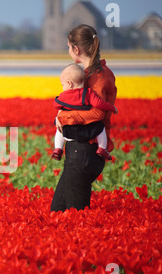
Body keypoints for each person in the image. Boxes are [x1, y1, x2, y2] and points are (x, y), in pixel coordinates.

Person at [50, 24, 118, 212]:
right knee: (58, 212)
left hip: (85, 151)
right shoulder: (97, 74)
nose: (68, 51)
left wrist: (64, 117)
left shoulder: (96, 78)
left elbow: (97, 114)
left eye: (68, 47)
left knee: (75, 216)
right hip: (80, 151)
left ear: (76, 49)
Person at [52, 63, 118, 162]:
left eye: (63, 84)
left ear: (69, 83)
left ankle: (58, 148)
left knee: (59, 128)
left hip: (69, 133)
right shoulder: (88, 93)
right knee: (100, 127)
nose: (63, 87)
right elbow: (99, 104)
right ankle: (102, 148)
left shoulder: (63, 96)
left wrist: (61, 115)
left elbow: (56, 105)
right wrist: (111, 107)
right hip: (88, 130)